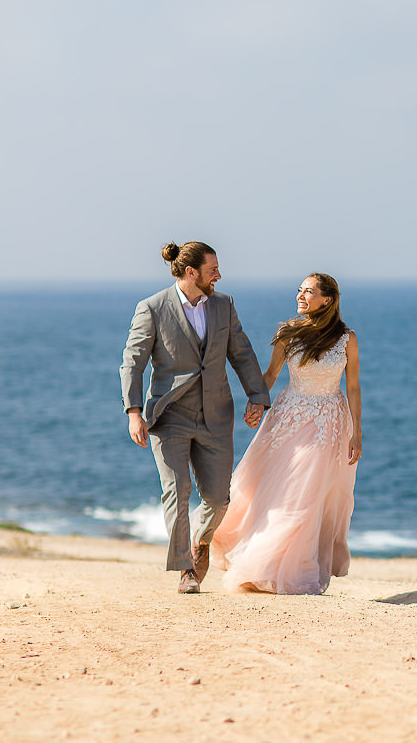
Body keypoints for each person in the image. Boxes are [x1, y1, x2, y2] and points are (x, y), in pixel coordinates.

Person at [119, 242, 271, 594]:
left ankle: (200, 543)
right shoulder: (152, 308)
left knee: (219, 499)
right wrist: (133, 412)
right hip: (168, 415)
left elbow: (242, 353)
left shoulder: (224, 305)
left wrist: (257, 397)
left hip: (216, 415)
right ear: (192, 272)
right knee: (177, 490)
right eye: (212, 268)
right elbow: (133, 362)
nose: (218, 275)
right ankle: (186, 570)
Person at [210, 272, 362, 594]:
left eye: (308, 292)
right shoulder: (288, 332)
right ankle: (264, 565)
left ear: (328, 299)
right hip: (287, 416)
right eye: (300, 290)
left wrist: (357, 432)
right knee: (271, 490)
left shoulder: (347, 339)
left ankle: (293, 570)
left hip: (327, 423)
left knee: (304, 494)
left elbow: (353, 387)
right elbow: (270, 374)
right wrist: (256, 404)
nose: (300, 296)